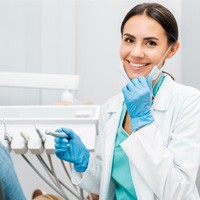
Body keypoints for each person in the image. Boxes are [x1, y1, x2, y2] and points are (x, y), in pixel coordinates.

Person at [54, 2, 200, 200]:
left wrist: (143, 123)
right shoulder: (112, 108)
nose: (136, 53)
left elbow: (178, 192)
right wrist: (84, 162)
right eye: (129, 40)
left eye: (150, 43)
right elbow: (107, 185)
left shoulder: (189, 102)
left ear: (172, 50)